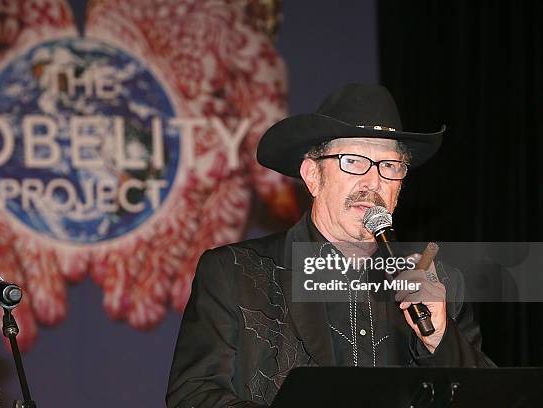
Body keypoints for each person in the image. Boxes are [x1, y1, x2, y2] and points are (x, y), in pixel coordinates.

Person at [166, 84, 495, 408]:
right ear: (312, 175)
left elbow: (490, 399)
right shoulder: (234, 273)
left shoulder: (440, 285)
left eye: (390, 166)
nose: (373, 182)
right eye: (353, 161)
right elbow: (194, 396)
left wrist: (439, 337)